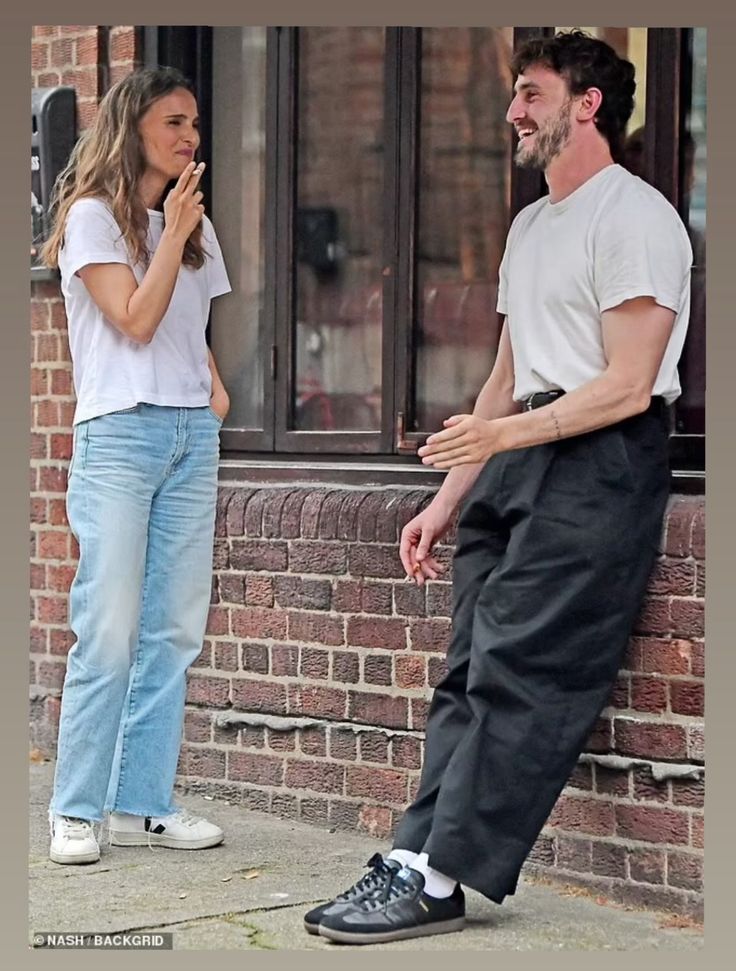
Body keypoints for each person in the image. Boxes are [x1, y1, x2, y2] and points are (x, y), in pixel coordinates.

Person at [306, 30, 693, 944]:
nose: (513, 112)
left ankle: (440, 875)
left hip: (603, 457)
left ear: (585, 104)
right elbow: (503, 377)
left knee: (521, 669)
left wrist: (504, 433)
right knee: (471, 666)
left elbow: (629, 383)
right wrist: (445, 500)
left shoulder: (635, 217)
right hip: (523, 453)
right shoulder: (531, 225)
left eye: (530, 93)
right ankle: (414, 855)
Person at [40, 67, 232, 865]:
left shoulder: (195, 228)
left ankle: (142, 802)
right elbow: (137, 319)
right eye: (173, 122)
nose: (190, 136)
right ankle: (75, 809)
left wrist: (213, 405)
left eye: (194, 122)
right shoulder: (90, 219)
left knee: (175, 630)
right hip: (119, 436)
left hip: (190, 436)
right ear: (133, 130)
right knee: (109, 627)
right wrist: (175, 232)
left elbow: (194, 337)